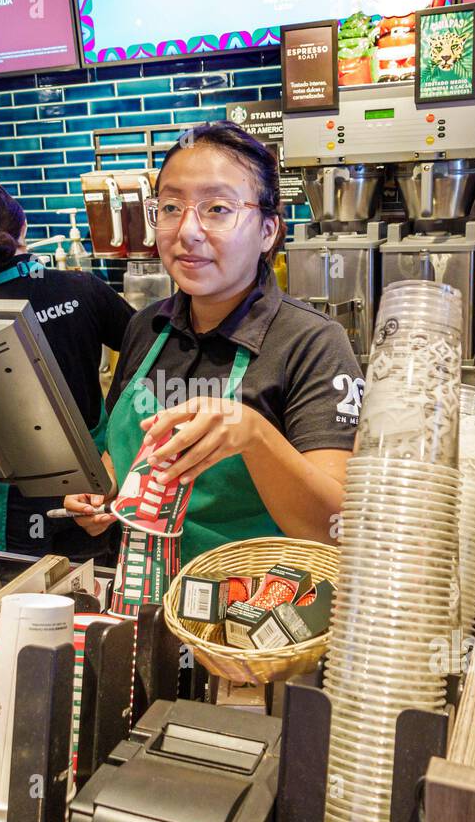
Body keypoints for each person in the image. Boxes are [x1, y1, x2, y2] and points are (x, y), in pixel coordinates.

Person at [63, 122, 364, 563]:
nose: (187, 231)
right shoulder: (145, 327)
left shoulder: (313, 343)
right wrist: (100, 495)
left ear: (267, 232)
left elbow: (334, 529)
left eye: (218, 208)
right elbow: (118, 456)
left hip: (252, 608)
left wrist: (254, 435)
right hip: (137, 589)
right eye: (170, 207)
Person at [0, 177, 134, 561]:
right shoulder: (84, 288)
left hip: (16, 499)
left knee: (25, 602)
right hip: (93, 480)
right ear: (24, 227)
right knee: (92, 592)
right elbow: (149, 355)